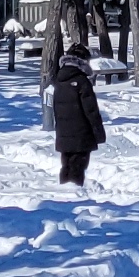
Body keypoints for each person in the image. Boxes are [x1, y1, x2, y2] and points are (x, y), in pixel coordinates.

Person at [45, 54, 106, 187]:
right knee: (78, 168)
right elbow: (91, 110)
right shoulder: (82, 81)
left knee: (66, 166)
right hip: (82, 134)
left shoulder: (58, 81)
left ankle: (64, 193)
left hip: (63, 134)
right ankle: (75, 195)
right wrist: (99, 134)